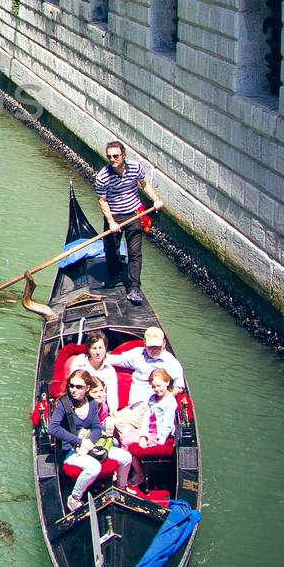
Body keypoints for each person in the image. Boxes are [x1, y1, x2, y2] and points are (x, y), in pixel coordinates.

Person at [47, 368, 134, 513]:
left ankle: (121, 488)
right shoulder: (64, 404)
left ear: (87, 388)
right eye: (71, 385)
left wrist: (89, 443)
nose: (74, 389)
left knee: (126, 457)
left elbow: (96, 428)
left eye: (78, 387)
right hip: (70, 450)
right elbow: (53, 428)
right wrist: (80, 442)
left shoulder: (92, 403)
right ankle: (74, 498)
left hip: (89, 446)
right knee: (94, 467)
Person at [94, 140, 162, 306]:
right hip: (114, 216)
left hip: (134, 214)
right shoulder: (102, 177)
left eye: (116, 156)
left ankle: (134, 287)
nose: (112, 159)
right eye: (109, 156)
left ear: (123, 155)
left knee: (135, 252)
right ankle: (115, 273)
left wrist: (156, 199)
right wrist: (111, 222)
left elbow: (144, 185)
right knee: (111, 250)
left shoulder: (135, 168)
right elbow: (102, 201)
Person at [118, 367, 178, 490]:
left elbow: (167, 425)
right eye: (154, 386)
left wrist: (158, 443)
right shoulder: (152, 398)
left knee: (126, 442)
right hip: (150, 431)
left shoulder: (170, 401)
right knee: (123, 437)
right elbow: (146, 418)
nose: (157, 389)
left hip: (158, 435)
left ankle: (138, 474)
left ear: (167, 382)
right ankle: (126, 471)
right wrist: (143, 436)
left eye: (159, 385)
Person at [126, 325, 186, 404]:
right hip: (136, 403)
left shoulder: (172, 363)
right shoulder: (137, 354)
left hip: (157, 405)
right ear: (144, 344)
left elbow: (179, 388)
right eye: (151, 346)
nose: (154, 350)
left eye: (157, 346)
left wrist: (160, 400)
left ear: (164, 343)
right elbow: (111, 359)